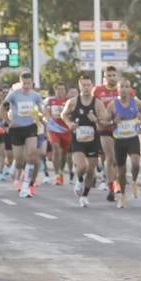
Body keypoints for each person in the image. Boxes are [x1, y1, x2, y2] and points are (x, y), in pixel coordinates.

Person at [62, 74, 103, 208]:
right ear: (79, 86)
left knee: (91, 171)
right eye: (83, 85)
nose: (86, 88)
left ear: (92, 86)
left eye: (88, 85)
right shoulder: (73, 102)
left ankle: (85, 195)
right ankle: (79, 180)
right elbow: (63, 114)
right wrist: (69, 124)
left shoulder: (97, 103)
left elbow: (105, 120)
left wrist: (95, 120)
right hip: (78, 139)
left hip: (93, 139)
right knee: (82, 166)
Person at [3, 71, 44, 198]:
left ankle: (26, 185)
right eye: (24, 83)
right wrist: (8, 122)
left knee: (31, 155)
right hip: (16, 129)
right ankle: (17, 175)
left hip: (30, 127)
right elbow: (2, 108)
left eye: (28, 83)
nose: (26, 86)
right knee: (19, 159)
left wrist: (43, 118)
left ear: (32, 83)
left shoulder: (36, 96)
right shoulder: (14, 95)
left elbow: (41, 109)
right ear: (20, 83)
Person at [109, 78, 141, 208]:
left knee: (136, 163)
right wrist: (114, 122)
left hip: (132, 138)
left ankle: (134, 181)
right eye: (121, 87)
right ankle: (123, 195)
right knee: (121, 171)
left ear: (130, 89)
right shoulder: (113, 105)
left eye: (126, 86)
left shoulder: (136, 103)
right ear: (118, 89)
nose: (124, 89)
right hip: (119, 140)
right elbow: (105, 122)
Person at [92, 65, 122, 201]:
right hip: (104, 129)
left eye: (113, 75)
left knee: (118, 160)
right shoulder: (98, 91)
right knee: (111, 158)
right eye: (108, 76)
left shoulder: (124, 89)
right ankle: (111, 188)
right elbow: (91, 105)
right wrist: (96, 118)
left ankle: (115, 182)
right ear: (104, 78)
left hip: (121, 129)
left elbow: (134, 105)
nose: (111, 78)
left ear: (118, 76)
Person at [44, 83, 71, 185]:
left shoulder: (68, 101)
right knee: (56, 148)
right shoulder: (50, 101)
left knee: (64, 153)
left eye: (62, 89)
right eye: (58, 89)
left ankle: (61, 170)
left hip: (65, 129)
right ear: (55, 91)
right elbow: (44, 111)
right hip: (53, 128)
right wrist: (48, 118)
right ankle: (57, 175)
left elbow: (72, 113)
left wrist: (64, 113)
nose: (60, 91)